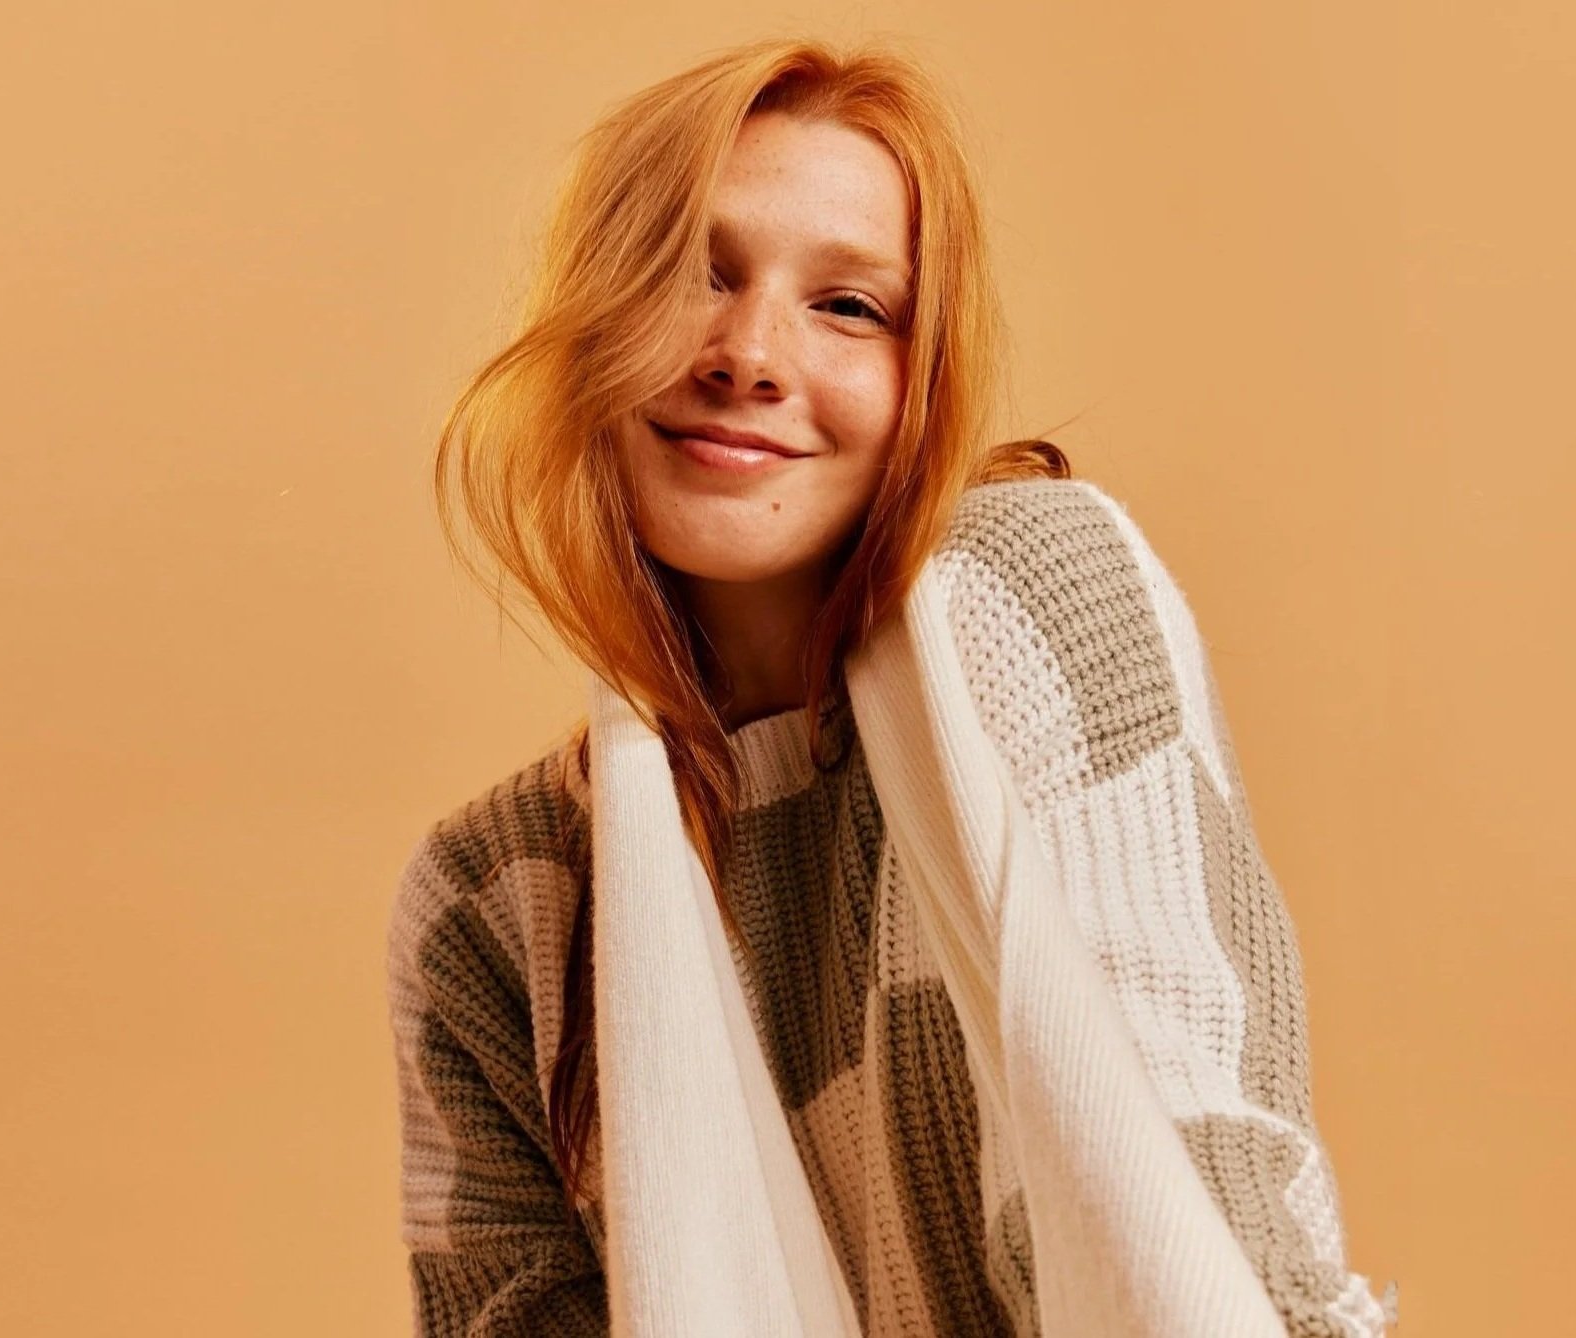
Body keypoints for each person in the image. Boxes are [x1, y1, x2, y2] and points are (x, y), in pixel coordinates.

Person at [385, 35, 1397, 1337]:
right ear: (590, 329)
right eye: (691, 276)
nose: (748, 354)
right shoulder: (492, 900)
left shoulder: (1028, 593)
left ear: (919, 381)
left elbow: (1181, 1189)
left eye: (848, 305)